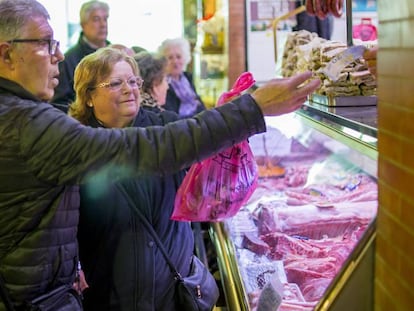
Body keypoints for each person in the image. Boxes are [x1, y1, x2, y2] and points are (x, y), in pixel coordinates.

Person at [0, 0, 320, 309]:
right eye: (44, 42)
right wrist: (252, 108)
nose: (57, 54)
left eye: (134, 81)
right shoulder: (28, 124)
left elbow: (183, 149)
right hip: (89, 295)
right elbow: (151, 147)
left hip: (166, 289)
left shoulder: (27, 116)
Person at [69, 47, 190, 310]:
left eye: (133, 81)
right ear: (88, 96)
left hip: (170, 291)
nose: (129, 89)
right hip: (108, 294)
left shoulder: (165, 127)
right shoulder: (77, 147)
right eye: (115, 83)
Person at [51, 0, 110, 111]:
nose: (103, 24)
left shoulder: (117, 55)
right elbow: (59, 103)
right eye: (96, 19)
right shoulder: (67, 60)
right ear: (83, 24)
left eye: (105, 19)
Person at [158, 37, 206, 118]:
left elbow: (200, 105)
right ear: (163, 61)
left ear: (185, 58)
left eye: (178, 57)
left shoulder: (187, 77)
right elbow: (170, 113)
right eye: (170, 58)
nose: (175, 61)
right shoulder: (161, 82)